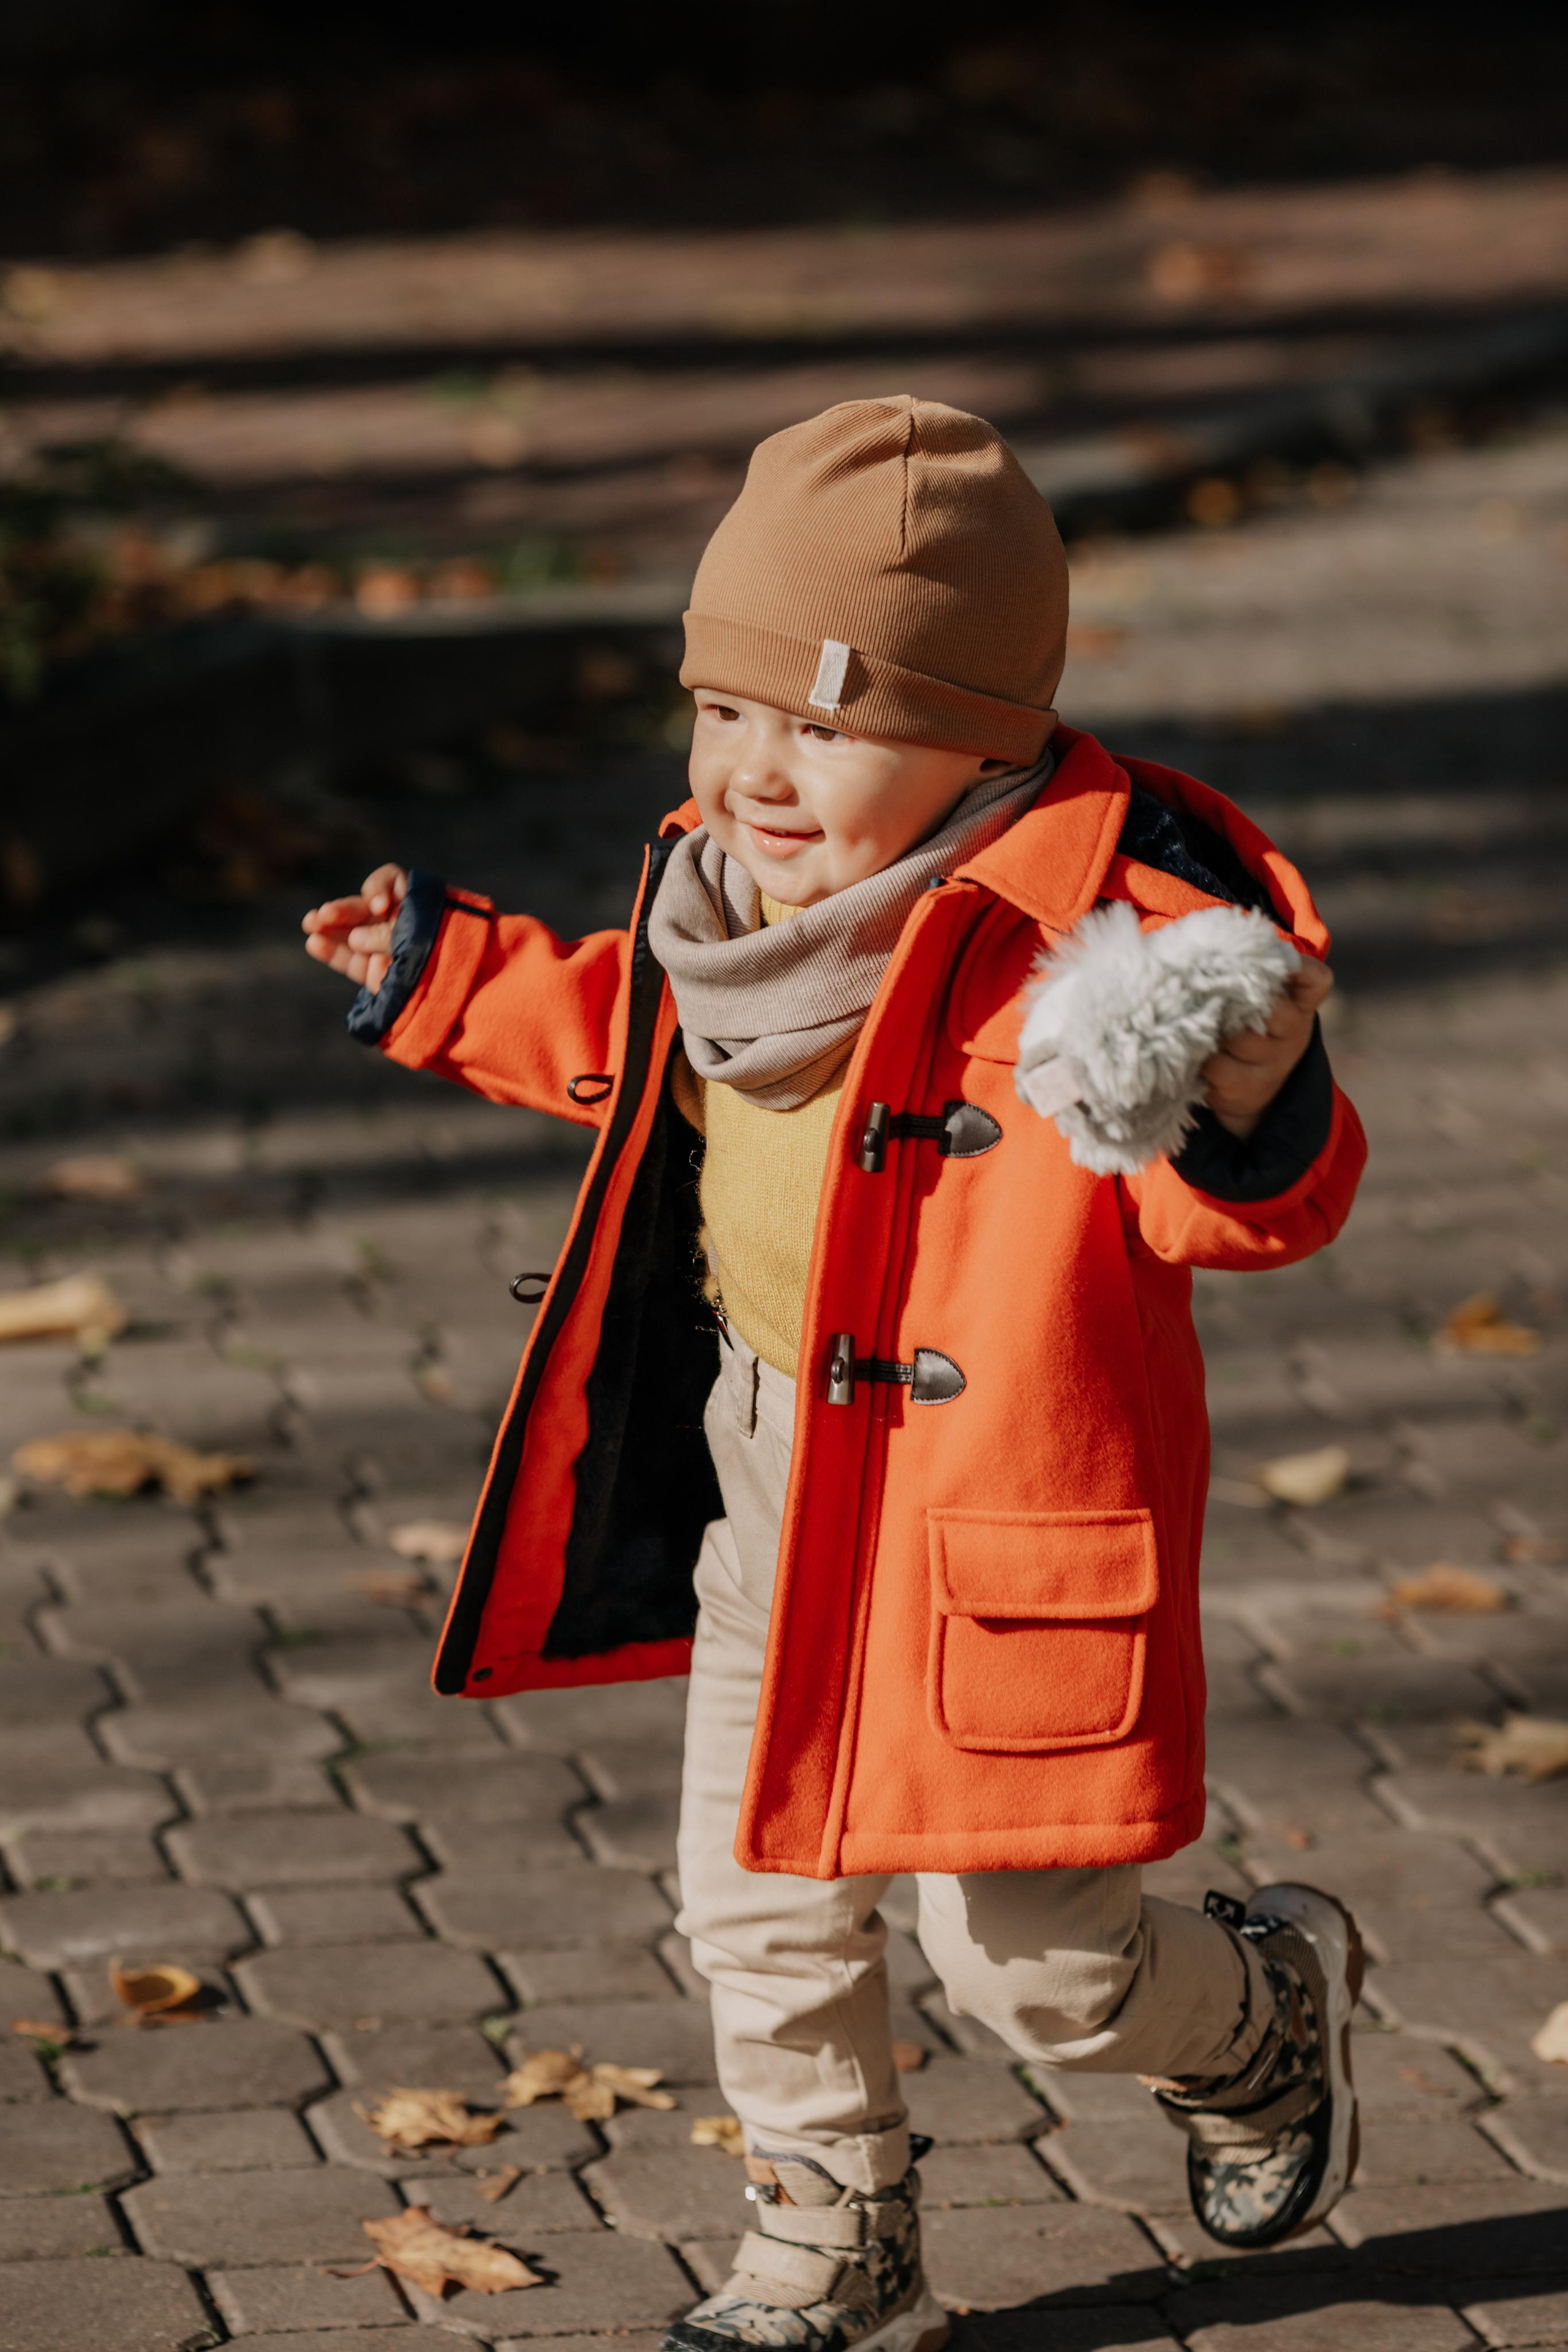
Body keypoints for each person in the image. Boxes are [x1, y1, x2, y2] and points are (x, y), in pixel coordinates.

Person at [304, 398, 1367, 2352]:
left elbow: (1264, 1202)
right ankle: (826, 2229)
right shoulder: (731, 898)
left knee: (1030, 1970)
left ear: (982, 732)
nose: (758, 770)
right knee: (759, 1902)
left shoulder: (1108, 937)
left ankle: (1263, 2008)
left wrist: (1248, 1080)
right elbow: (645, 1043)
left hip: (993, 1532)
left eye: (827, 722)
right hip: (770, 1469)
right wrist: (450, 981)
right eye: (726, 710)